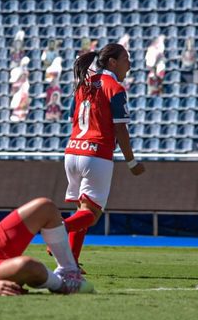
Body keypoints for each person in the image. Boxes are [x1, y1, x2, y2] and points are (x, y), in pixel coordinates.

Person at [61, 43, 145, 270]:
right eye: (126, 59)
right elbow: (121, 130)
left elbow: (72, 118)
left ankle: (70, 263)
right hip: (96, 154)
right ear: (112, 62)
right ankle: (59, 229)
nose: (129, 64)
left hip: (72, 152)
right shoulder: (114, 88)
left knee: (83, 211)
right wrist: (132, 161)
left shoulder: (83, 84)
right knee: (91, 215)